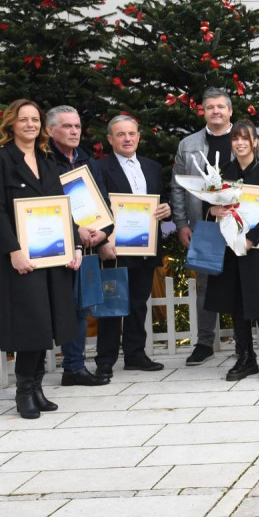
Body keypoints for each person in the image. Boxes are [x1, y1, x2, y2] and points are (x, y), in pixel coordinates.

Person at [0, 99, 82, 418]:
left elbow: (61, 206)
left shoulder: (47, 160)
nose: (30, 125)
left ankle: (37, 387)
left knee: (48, 320)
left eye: (35, 120)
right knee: (31, 322)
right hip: (20, 257)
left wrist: (75, 247)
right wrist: (13, 251)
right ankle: (23, 390)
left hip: (52, 255)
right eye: (24, 120)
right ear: (11, 123)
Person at [171, 89, 259, 366]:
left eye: (221, 107)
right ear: (203, 111)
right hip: (206, 227)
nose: (216, 111)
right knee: (205, 286)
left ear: (230, 111)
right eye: (210, 107)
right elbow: (177, 187)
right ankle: (204, 342)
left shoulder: (246, 140)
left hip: (242, 225)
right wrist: (181, 223)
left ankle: (246, 343)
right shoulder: (188, 144)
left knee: (245, 280)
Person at [203, 120, 259, 383]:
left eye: (244, 138)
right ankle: (246, 356)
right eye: (235, 139)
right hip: (231, 247)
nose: (239, 143)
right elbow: (211, 206)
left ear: (254, 142)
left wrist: (252, 237)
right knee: (236, 302)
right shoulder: (223, 173)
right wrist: (212, 211)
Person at [91, 115, 170, 377]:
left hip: (145, 247)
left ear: (139, 137)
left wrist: (166, 208)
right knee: (112, 304)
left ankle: (136, 354)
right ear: (110, 139)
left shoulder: (152, 166)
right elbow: (95, 209)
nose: (127, 138)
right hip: (115, 247)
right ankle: (105, 360)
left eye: (132, 133)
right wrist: (102, 242)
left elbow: (161, 199)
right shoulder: (99, 168)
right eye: (121, 134)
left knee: (138, 303)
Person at [43, 105, 111, 387]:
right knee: (61, 307)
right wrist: (75, 232)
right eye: (67, 126)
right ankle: (61, 367)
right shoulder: (44, 161)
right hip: (57, 246)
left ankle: (73, 368)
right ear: (50, 130)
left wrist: (103, 233)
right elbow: (45, 206)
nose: (74, 131)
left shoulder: (86, 160)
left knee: (82, 307)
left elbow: (102, 201)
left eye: (77, 127)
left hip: (89, 246)